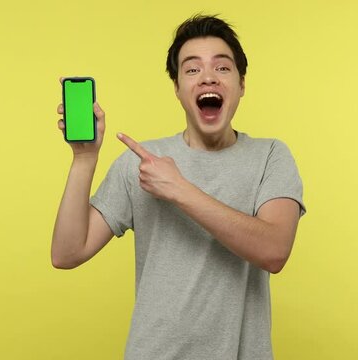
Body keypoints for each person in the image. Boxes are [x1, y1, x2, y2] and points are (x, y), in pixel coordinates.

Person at [52, 14, 305, 360]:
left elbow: (274, 250)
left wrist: (179, 189)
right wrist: (84, 160)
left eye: (222, 68)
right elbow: (67, 253)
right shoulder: (141, 163)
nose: (207, 78)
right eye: (191, 69)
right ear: (177, 87)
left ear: (242, 84)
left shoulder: (271, 156)